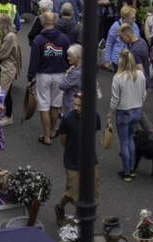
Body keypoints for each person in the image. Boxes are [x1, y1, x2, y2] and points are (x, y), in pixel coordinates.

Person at [55, 91, 100, 226]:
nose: (76, 108)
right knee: (71, 194)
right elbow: (62, 140)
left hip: (90, 160)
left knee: (92, 190)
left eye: (79, 105)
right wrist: (71, 149)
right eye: (75, 104)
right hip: (73, 161)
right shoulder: (68, 119)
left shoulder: (95, 116)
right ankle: (60, 207)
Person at [27, 10, 70, 145]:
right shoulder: (63, 38)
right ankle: (52, 130)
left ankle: (46, 136)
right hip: (60, 75)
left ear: (44, 22)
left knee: (44, 105)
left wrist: (30, 78)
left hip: (44, 75)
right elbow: (68, 57)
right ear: (55, 22)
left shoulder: (39, 40)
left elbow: (34, 61)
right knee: (55, 105)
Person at [106, 49, 147, 181]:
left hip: (124, 112)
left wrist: (109, 114)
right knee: (130, 138)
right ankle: (132, 169)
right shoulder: (140, 75)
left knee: (124, 141)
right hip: (137, 110)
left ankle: (126, 171)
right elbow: (143, 94)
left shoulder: (118, 78)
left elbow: (115, 99)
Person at [0, 13, 22, 126]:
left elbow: (1, 53)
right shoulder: (9, 35)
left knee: (3, 93)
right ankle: (6, 115)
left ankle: (8, 116)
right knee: (7, 92)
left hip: (8, 67)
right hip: (8, 67)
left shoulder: (9, 37)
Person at [104, 5, 140, 70]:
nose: (134, 20)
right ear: (125, 18)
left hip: (130, 59)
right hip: (117, 59)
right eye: (132, 18)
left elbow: (138, 40)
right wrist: (107, 60)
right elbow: (109, 43)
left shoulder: (134, 26)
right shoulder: (115, 26)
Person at [59, 43, 83, 115]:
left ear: (77, 57)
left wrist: (66, 73)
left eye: (70, 56)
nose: (68, 58)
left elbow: (62, 85)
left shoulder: (76, 73)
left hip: (72, 105)